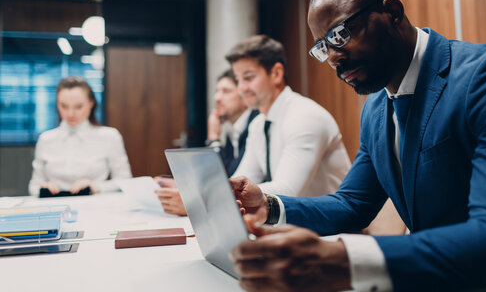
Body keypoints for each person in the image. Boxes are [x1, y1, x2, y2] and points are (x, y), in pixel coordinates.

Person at [229, 0, 486, 291]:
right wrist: (269, 205)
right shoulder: (376, 109)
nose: (334, 57)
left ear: (392, 12)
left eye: (340, 34)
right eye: (323, 46)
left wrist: (344, 260)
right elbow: (352, 205)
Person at [228, 35, 350, 197]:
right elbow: (242, 179)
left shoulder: (305, 116)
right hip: (291, 220)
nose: (241, 88)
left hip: (330, 221)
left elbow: (287, 192)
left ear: (276, 73)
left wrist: (222, 194)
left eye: (249, 77)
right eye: (238, 80)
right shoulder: (258, 124)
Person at [154, 69, 258, 215]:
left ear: (245, 97)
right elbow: (224, 179)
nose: (217, 97)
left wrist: (214, 138)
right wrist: (184, 185)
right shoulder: (233, 132)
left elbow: (231, 179)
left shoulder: (255, 126)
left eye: (226, 91)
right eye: (217, 91)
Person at [28, 76, 132, 196]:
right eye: (64, 106)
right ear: (57, 104)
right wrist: (43, 187)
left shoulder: (110, 136)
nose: (70, 113)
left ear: (91, 103)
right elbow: (34, 186)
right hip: (54, 207)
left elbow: (125, 181)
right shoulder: (45, 139)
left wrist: (96, 187)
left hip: (96, 206)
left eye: (78, 107)